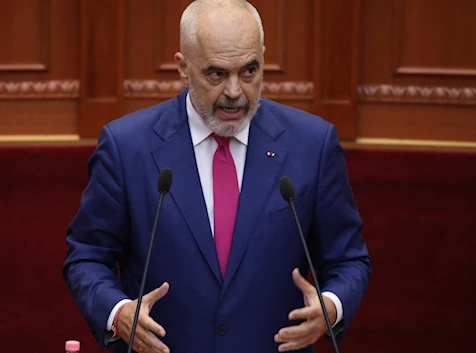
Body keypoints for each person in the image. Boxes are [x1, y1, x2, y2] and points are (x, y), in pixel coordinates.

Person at [62, 1, 371, 352]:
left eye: (249, 71)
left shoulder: (312, 145)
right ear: (183, 67)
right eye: (217, 74)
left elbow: (348, 258)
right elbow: (87, 255)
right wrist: (117, 312)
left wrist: (331, 305)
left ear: (263, 59)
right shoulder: (126, 147)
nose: (235, 92)